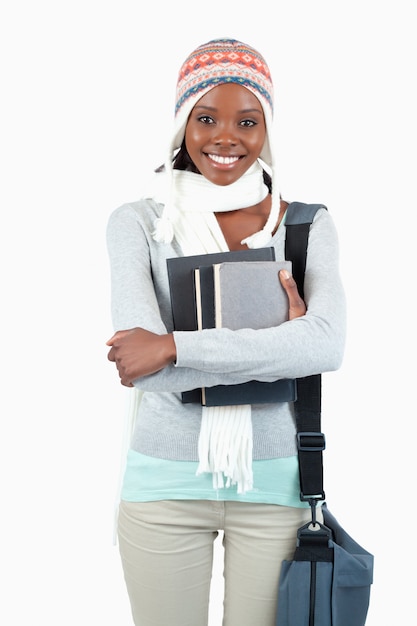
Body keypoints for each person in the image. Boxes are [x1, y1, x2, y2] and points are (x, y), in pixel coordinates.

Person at [106, 38, 346, 626]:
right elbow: (143, 368)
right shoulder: (139, 223)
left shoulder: (302, 224)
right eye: (206, 117)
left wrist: (175, 343)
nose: (226, 137)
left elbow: (326, 345)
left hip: (275, 488)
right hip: (162, 486)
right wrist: (280, 346)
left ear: (267, 128)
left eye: (247, 120)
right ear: (183, 122)